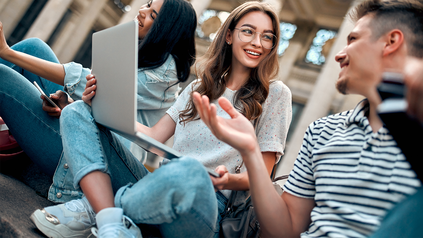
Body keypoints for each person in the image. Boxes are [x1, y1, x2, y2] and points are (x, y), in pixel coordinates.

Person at [30, 1, 292, 238]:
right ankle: (111, 223)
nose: (258, 42)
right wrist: (97, 108)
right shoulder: (198, 88)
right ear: (229, 35)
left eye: (267, 37)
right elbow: (154, 137)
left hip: (208, 204)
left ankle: (96, 208)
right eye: (248, 31)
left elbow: (262, 176)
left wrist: (225, 180)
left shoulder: (276, 94)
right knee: (77, 111)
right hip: (157, 183)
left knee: (190, 171)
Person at [192, 0, 423, 237]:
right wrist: (251, 150)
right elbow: (285, 231)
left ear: (391, 42)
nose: (338, 55)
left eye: (352, 40)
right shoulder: (322, 131)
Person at [0, 0, 195, 177]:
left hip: (93, 153)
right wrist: (68, 103)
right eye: (147, 4)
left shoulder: (163, 73)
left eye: (153, 15)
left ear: (168, 30)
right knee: (35, 47)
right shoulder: (144, 51)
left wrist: (7, 52)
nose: (142, 11)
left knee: (4, 76)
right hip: (86, 130)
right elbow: (102, 105)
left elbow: (93, 83)